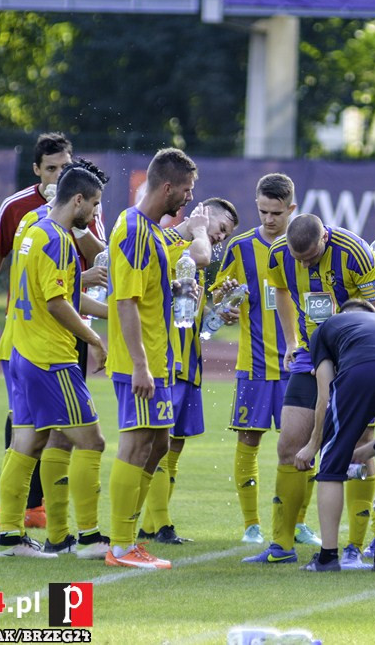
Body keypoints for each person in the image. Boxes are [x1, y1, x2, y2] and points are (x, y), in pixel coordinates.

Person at [0, 133, 106, 530]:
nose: (58, 174)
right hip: (46, 344)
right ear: (37, 170)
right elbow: (54, 296)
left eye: (63, 167)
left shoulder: (42, 224)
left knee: (32, 437)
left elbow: (83, 274)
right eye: (51, 167)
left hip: (34, 339)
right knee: (84, 440)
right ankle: (82, 536)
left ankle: (19, 529)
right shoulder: (38, 224)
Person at [243, 213, 375, 566]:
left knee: (358, 444)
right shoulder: (280, 252)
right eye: (299, 259)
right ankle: (281, 545)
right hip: (311, 353)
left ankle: (353, 547)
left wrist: (373, 356)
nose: (304, 263)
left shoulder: (355, 252)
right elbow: (280, 290)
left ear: (324, 238)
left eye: (310, 257)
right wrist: (292, 339)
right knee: (289, 442)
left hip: (356, 354)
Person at [0, 162, 109, 559]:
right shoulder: (59, 239)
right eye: (93, 205)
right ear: (77, 199)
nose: (95, 214)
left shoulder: (32, 226)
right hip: (51, 357)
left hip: (22, 351)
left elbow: (59, 292)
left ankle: (10, 537)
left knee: (27, 440)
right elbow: (58, 302)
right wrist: (95, 339)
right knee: (92, 441)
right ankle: (90, 538)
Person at [104, 148, 205, 570]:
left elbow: (154, 278)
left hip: (157, 359)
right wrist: (141, 364)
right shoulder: (132, 231)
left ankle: (129, 538)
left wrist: (183, 291)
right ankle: (122, 546)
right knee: (136, 443)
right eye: (185, 190)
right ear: (167, 187)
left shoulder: (147, 229)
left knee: (159, 442)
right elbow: (126, 302)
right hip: (139, 362)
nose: (187, 197)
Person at [294, 300, 375, 572]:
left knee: (331, 468)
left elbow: (325, 397)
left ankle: (328, 557)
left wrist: (313, 444)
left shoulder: (327, 327)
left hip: (364, 368)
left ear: (342, 315)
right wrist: (365, 452)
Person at [138, 197, 239, 544]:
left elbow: (190, 320)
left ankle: (152, 526)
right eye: (221, 229)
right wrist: (198, 233)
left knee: (173, 446)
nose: (220, 238)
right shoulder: (175, 243)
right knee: (160, 446)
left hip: (189, 363)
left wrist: (217, 311)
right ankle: (161, 524)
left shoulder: (194, 256)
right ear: (204, 216)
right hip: (169, 364)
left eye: (226, 235)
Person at [208, 174, 297, 544]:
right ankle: (251, 525)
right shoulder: (241, 247)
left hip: (297, 364)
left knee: (298, 446)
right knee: (249, 439)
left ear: (291, 208)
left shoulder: (305, 243)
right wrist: (225, 304)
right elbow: (219, 299)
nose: (269, 219)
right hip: (254, 364)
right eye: (262, 211)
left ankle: (297, 522)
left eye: (276, 212)